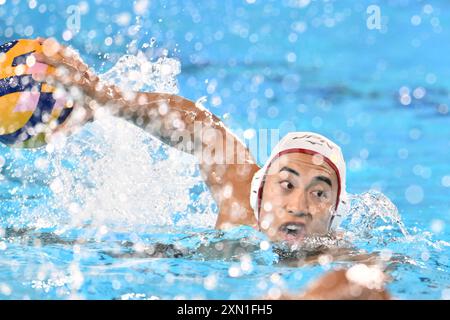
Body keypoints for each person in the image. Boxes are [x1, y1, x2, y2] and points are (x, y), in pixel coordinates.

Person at [27, 38, 389, 299]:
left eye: (319, 192)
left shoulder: (340, 255)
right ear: (260, 192)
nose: (299, 205)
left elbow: (373, 281)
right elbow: (197, 125)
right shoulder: (241, 204)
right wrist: (109, 98)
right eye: (286, 184)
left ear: (334, 213)